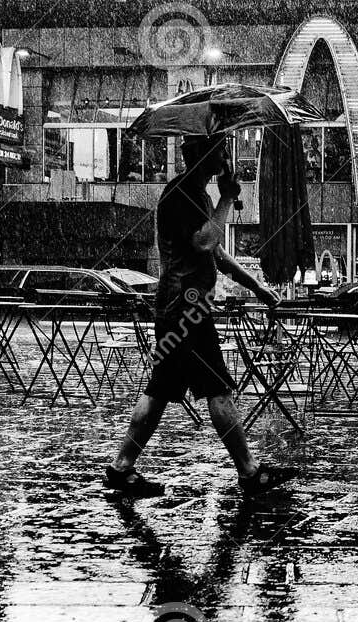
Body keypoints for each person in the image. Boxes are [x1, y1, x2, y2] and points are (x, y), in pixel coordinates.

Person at [104, 134, 296, 499]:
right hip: (185, 310)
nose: (226, 156)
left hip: (184, 308)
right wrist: (228, 196)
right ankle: (250, 473)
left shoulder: (194, 193)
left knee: (160, 390)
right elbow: (205, 242)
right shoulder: (183, 195)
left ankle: (122, 467)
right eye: (221, 149)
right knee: (216, 388)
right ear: (205, 154)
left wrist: (255, 286)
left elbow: (216, 254)